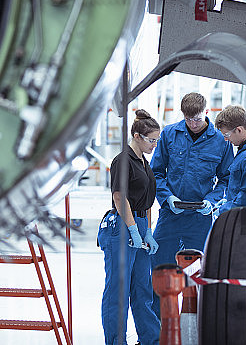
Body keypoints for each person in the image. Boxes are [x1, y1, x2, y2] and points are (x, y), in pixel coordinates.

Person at [150, 92, 233, 316]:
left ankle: (198, 332)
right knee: (160, 273)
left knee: (201, 276)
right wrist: (167, 197)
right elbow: (156, 173)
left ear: (206, 113)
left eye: (197, 118)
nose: (193, 124)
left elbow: (226, 179)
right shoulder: (169, 134)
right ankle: (158, 334)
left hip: (201, 218)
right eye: (188, 119)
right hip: (171, 215)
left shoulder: (221, 141)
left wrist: (212, 202)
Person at [98, 109, 161, 345]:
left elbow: (146, 200)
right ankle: (116, 341)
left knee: (142, 289)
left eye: (156, 140)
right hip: (123, 227)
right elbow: (119, 197)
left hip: (140, 226)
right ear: (137, 136)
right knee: (118, 291)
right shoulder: (122, 161)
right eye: (151, 140)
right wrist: (134, 229)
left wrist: (147, 231)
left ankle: (151, 340)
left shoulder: (144, 163)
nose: (154, 144)